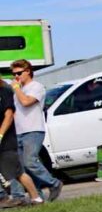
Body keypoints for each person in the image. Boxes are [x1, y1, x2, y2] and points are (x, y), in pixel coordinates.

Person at [8, 60, 62, 202]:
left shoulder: (36, 87)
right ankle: (37, 197)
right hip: (18, 132)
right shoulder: (17, 90)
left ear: (28, 71)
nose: (16, 77)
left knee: (30, 161)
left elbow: (26, 102)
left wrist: (17, 89)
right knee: (21, 168)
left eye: (19, 73)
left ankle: (54, 183)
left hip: (33, 130)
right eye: (14, 74)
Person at [0, 78, 43, 208]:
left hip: (6, 140)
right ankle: (3, 198)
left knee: (17, 172)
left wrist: (0, 135)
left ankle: (36, 198)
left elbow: (9, 116)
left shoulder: (5, 91)